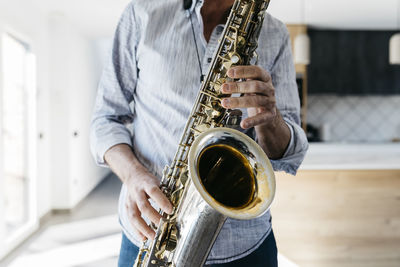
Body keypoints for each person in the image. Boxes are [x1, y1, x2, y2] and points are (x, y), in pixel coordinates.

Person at [90, 0, 308, 266]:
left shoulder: (275, 33)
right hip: (152, 234)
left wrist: (269, 117)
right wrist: (133, 175)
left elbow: (289, 153)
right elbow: (106, 119)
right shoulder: (142, 14)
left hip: (245, 244)